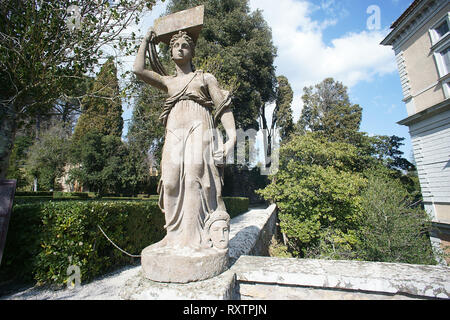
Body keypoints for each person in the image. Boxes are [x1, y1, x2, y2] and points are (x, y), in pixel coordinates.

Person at [133, 29, 236, 251]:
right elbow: (139, 70)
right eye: (175, 45)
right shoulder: (168, 81)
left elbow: (223, 107)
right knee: (169, 182)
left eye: (184, 45)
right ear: (170, 53)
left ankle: (193, 238)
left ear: (192, 50)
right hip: (174, 130)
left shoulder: (204, 78)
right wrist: (145, 40)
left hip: (199, 126)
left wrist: (232, 138)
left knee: (194, 178)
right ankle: (172, 236)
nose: (180, 48)